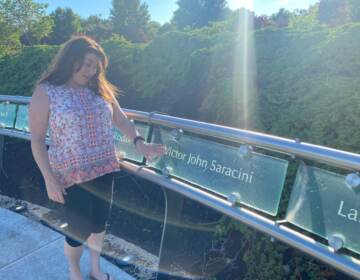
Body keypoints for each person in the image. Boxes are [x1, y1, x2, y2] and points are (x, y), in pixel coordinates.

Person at [29, 35, 166, 280]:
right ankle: (74, 268)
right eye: (86, 63)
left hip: (105, 168)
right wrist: (48, 178)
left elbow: (121, 119)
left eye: (95, 66)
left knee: (99, 224)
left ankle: (95, 267)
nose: (90, 71)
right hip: (71, 177)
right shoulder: (47, 91)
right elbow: (37, 140)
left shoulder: (101, 90)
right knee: (77, 230)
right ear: (70, 59)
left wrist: (139, 143)